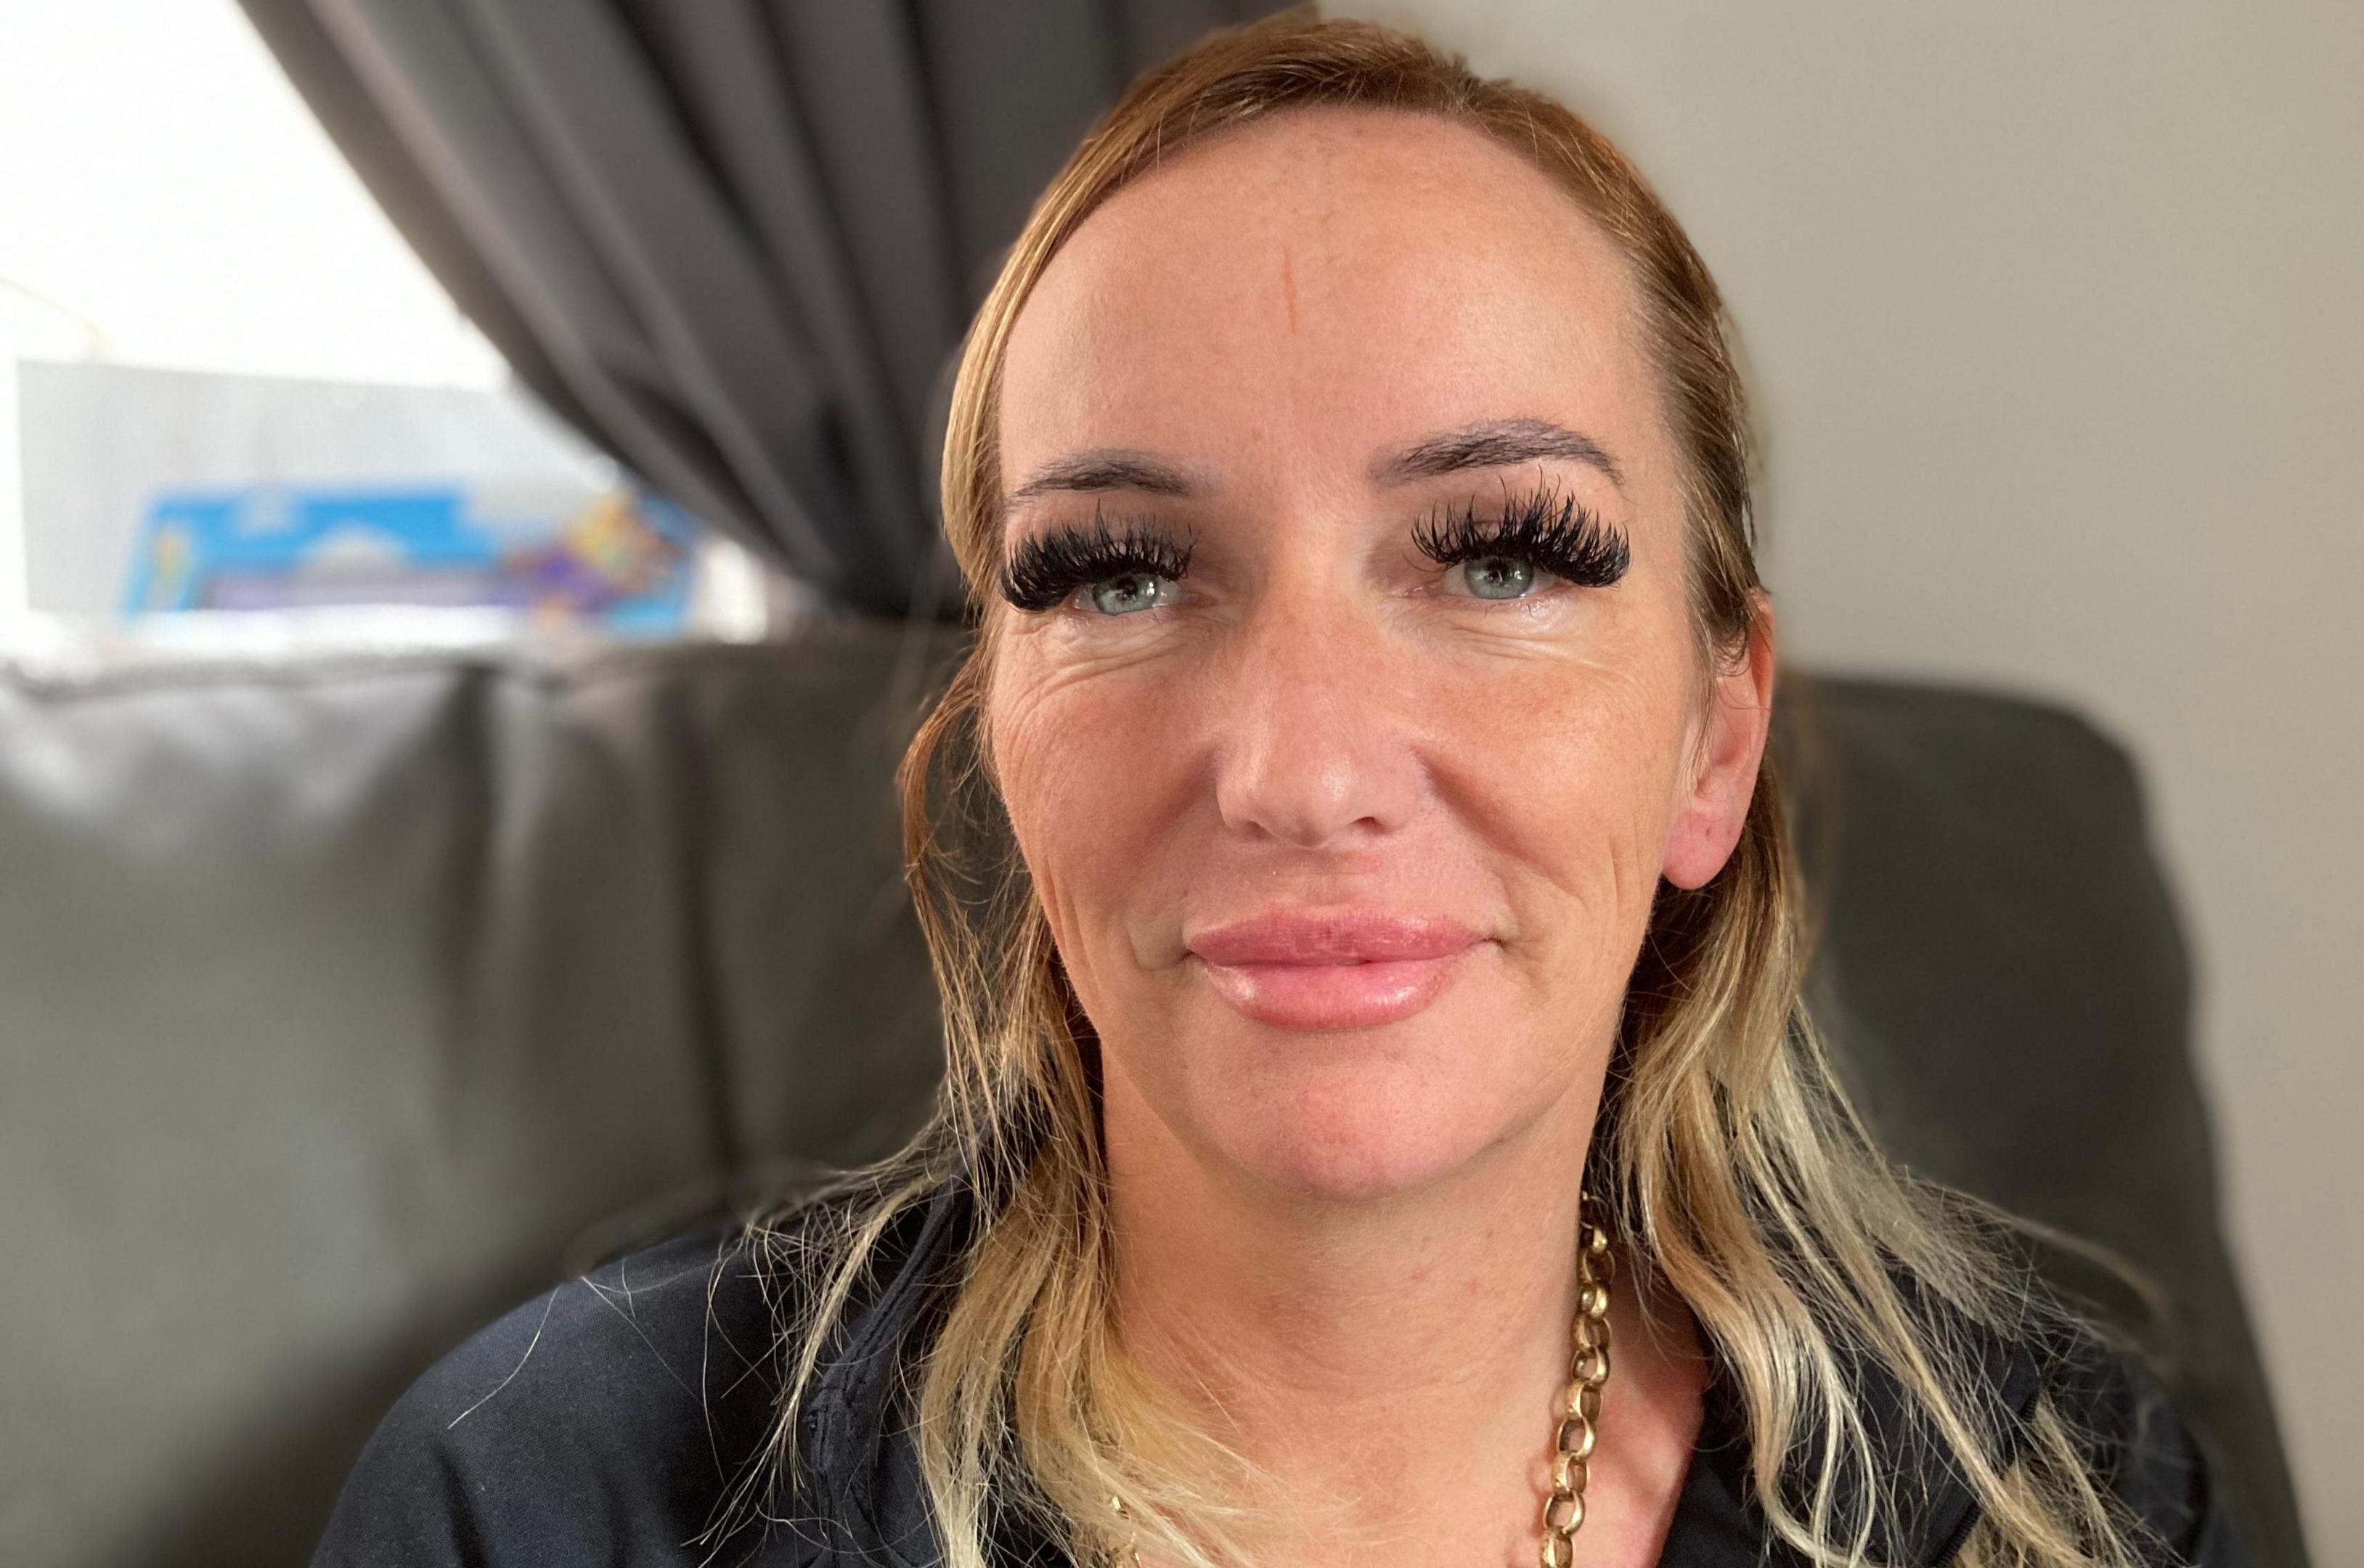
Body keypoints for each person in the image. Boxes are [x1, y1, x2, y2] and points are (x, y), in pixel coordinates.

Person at [314, 15, 2251, 1567]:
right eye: (1120, 573)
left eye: (1497, 555)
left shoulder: (2068, 1506)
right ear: (999, 726)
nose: (1301, 770)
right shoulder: (552, 1506)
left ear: (1713, 742)